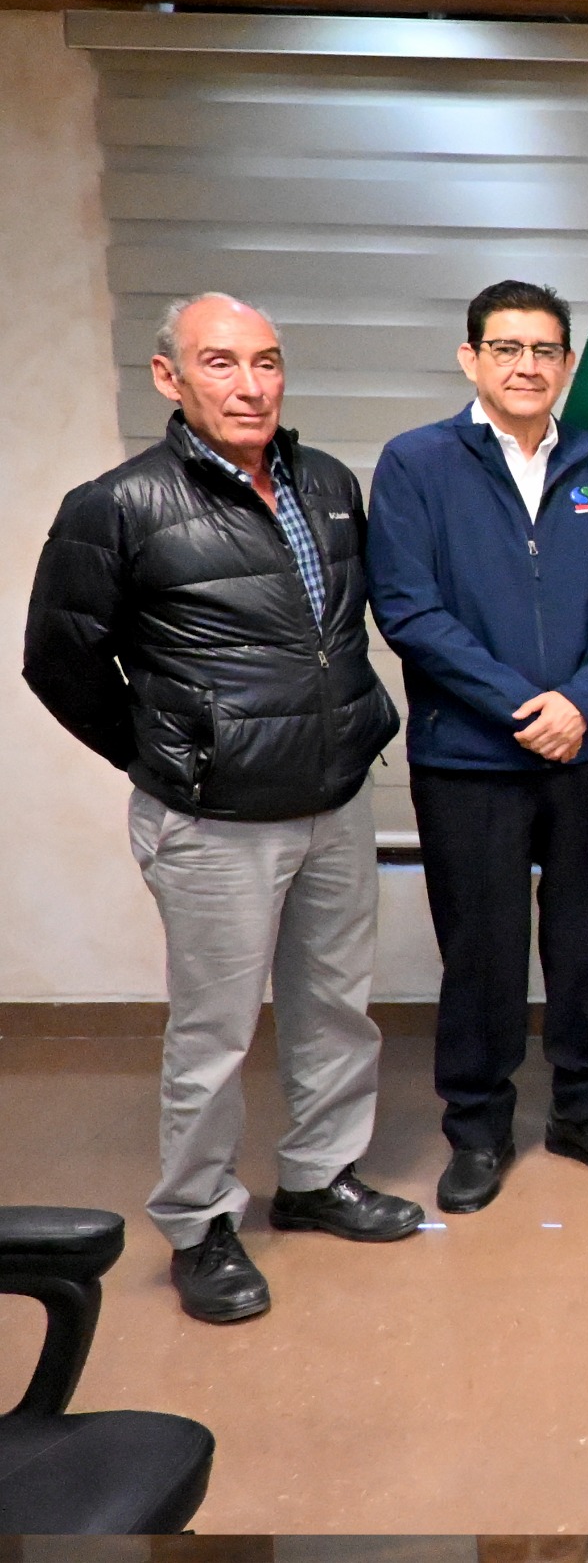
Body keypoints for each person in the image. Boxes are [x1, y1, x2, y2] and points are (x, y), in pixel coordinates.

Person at [23, 293, 418, 1324]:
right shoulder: (115, 505)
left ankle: (318, 1175)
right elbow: (59, 661)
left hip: (331, 797)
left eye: (267, 362)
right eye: (221, 362)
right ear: (170, 377)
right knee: (215, 1032)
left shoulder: (325, 482)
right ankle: (200, 1222)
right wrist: (171, 758)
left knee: (335, 1005)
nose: (250, 385)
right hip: (214, 822)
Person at [367, 280, 588, 1214]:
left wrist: (576, 703)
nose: (527, 366)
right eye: (507, 348)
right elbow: (408, 608)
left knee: (583, 942)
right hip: (469, 760)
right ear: (472, 359)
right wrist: (523, 704)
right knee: (483, 952)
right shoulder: (416, 464)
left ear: (568, 364)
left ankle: (587, 1111)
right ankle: (478, 1130)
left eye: (544, 350)